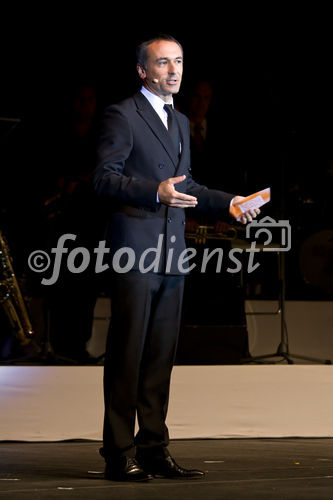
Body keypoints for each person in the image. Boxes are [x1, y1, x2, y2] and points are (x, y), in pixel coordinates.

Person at [94, 34, 260, 482]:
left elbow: (186, 186)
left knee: (160, 356)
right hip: (135, 249)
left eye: (179, 61)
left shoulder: (181, 121)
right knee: (128, 353)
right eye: (163, 63)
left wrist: (230, 202)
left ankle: (153, 448)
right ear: (143, 71)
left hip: (172, 253)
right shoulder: (122, 115)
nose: (174, 70)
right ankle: (118, 452)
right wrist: (154, 191)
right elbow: (104, 179)